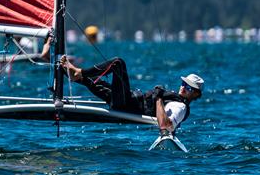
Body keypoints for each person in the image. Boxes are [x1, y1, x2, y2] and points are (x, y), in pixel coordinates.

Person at [60, 56, 203, 134]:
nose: (183, 88)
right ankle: (70, 74)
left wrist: (159, 97)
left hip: (126, 106)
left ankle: (79, 72)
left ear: (195, 94)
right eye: (183, 84)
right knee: (98, 84)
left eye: (189, 87)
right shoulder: (176, 99)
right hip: (127, 100)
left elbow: (165, 125)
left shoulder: (180, 106)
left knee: (118, 63)